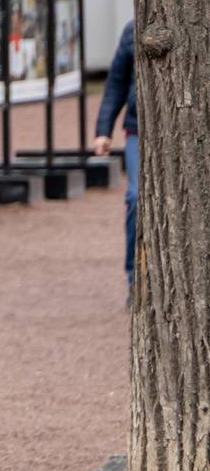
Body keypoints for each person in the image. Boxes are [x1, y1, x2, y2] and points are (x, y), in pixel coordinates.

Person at [94, 18, 136, 294]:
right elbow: (116, 82)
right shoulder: (134, 31)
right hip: (139, 130)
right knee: (136, 197)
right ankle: (135, 278)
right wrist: (103, 129)